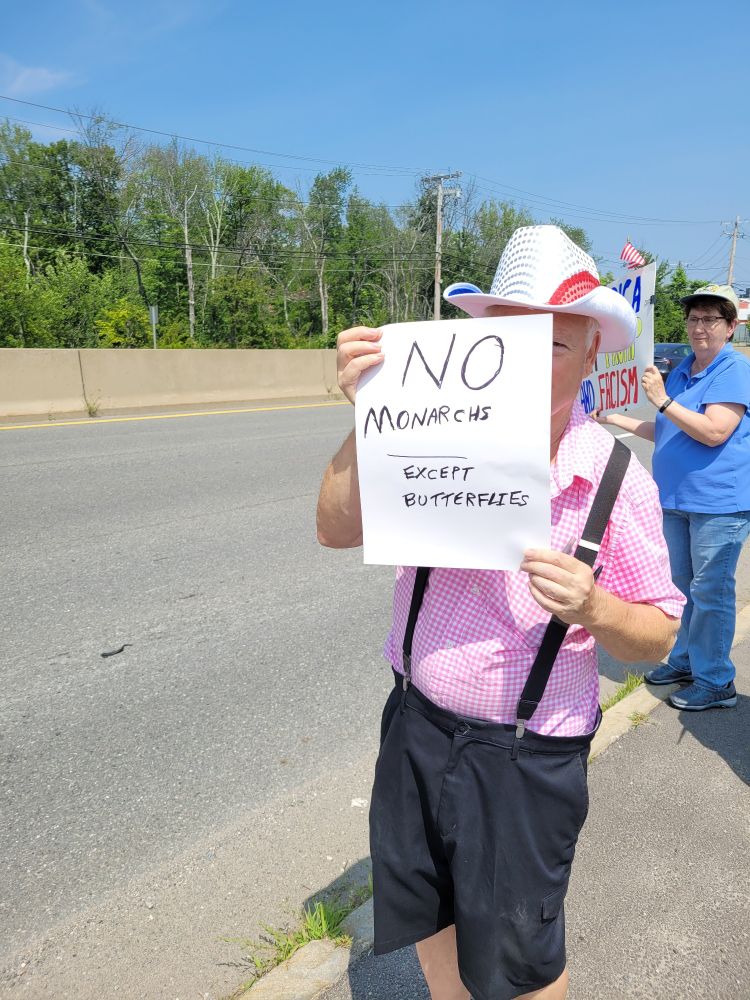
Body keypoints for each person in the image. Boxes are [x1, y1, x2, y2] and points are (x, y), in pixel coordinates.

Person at [316, 225, 683, 1000]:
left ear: (590, 354)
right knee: (428, 919)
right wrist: (367, 416)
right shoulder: (424, 434)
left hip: (524, 758)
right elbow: (335, 528)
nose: (523, 354)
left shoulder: (615, 478)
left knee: (521, 959)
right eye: (507, 332)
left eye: (552, 342)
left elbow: (658, 634)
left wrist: (597, 606)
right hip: (414, 725)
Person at [598, 283, 750, 711]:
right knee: (679, 589)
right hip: (676, 500)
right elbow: (666, 428)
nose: (700, 327)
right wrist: (611, 417)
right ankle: (685, 661)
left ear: (730, 326)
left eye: (710, 319)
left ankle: (716, 680)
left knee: (711, 591)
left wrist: (662, 400)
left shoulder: (733, 370)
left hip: (718, 504)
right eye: (694, 318)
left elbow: (714, 430)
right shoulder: (684, 367)